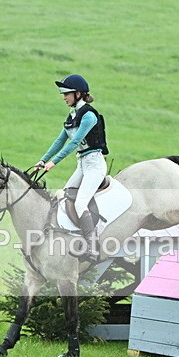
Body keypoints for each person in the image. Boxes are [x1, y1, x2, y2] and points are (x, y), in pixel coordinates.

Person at [35, 74, 108, 262]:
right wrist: (43, 160)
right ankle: (73, 238)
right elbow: (60, 140)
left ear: (78, 94)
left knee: (80, 203)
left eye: (67, 93)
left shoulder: (89, 115)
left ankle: (92, 248)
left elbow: (75, 142)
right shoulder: (72, 116)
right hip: (82, 165)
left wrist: (54, 162)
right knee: (63, 196)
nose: (64, 97)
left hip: (94, 165)